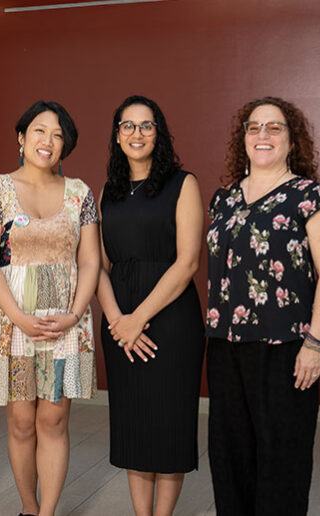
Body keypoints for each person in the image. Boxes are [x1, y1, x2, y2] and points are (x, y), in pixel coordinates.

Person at [205, 96, 320, 515]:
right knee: (230, 454)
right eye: (254, 127)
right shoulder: (223, 199)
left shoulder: (309, 196)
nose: (262, 135)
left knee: (282, 453)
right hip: (225, 346)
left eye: (274, 127)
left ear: (290, 139)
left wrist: (314, 345)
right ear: (243, 138)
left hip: (285, 348)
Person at [0, 100, 100, 516]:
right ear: (21, 138)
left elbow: (90, 261)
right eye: (40, 131)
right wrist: (20, 317)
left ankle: (48, 513)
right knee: (22, 422)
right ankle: (29, 506)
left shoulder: (80, 193)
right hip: (11, 323)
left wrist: (75, 313)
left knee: (54, 421)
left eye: (58, 134)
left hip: (65, 321)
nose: (48, 141)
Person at [95, 95, 205, 516]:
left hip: (170, 320)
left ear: (159, 133)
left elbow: (188, 262)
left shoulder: (183, 183)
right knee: (134, 425)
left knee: (168, 425)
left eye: (146, 125)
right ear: (117, 135)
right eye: (128, 125)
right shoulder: (109, 190)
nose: (136, 133)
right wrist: (117, 321)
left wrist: (137, 319)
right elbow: (98, 265)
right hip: (119, 321)